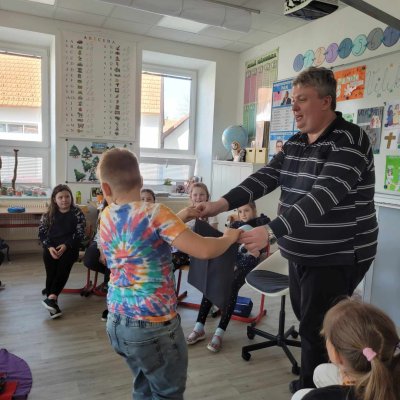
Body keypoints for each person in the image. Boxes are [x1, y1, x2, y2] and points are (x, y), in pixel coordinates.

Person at [196, 67, 378, 393]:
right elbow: (264, 178)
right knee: (307, 321)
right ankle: (316, 381)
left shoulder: (350, 140)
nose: (293, 107)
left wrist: (272, 231)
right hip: (300, 250)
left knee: (318, 329)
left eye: (302, 100)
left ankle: (314, 391)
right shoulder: (297, 142)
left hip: (338, 253)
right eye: (293, 100)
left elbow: (323, 196)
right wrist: (220, 204)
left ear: (326, 101)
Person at [96, 148, 240, 400]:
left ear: (105, 188)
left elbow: (141, 232)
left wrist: (182, 216)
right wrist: (228, 237)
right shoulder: (156, 213)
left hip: (118, 322)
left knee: (143, 385)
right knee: (167, 393)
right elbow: (205, 250)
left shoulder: (106, 216)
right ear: (141, 181)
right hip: (153, 327)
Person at [186, 202, 270, 353]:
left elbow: (261, 250)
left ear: (254, 210)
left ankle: (219, 332)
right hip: (233, 261)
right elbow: (226, 245)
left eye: (246, 210)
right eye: (240, 211)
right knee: (212, 281)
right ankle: (199, 327)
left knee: (231, 287)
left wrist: (256, 251)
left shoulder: (260, 225)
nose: (243, 214)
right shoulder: (235, 225)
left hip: (248, 264)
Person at [292, 298, 400, 400]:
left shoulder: (315, 398)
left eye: (327, 336)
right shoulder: (392, 371)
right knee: (321, 371)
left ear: (336, 356)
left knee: (298, 396)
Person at [39, 184, 86, 319]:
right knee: (51, 274)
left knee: (62, 271)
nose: (64, 200)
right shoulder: (48, 214)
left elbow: (80, 233)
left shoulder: (77, 213)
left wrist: (66, 245)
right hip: (51, 248)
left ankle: (51, 299)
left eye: (67, 196)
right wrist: (49, 247)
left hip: (70, 248)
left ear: (71, 198)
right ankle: (53, 304)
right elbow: (42, 233)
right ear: (55, 199)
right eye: (60, 197)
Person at [83, 199, 110, 321]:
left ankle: (110, 306)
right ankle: (111, 276)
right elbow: (100, 234)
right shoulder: (104, 210)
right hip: (101, 241)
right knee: (89, 259)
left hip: (116, 244)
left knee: (112, 262)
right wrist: (102, 251)